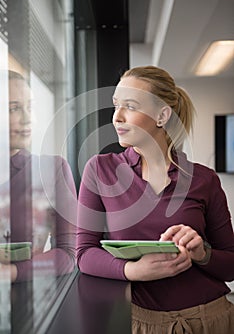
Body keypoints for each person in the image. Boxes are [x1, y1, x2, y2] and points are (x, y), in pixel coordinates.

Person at [77, 65, 234, 333]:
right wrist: (132, 271)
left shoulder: (204, 179)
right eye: (116, 106)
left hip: (212, 318)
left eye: (130, 106)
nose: (117, 117)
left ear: (162, 115)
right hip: (139, 322)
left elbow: (230, 266)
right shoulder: (100, 169)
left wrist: (201, 252)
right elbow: (83, 254)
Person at [0, 70, 78, 282]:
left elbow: (69, 253)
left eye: (30, 107)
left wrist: (10, 273)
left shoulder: (52, 169)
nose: (27, 119)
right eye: (13, 109)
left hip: (30, 306)